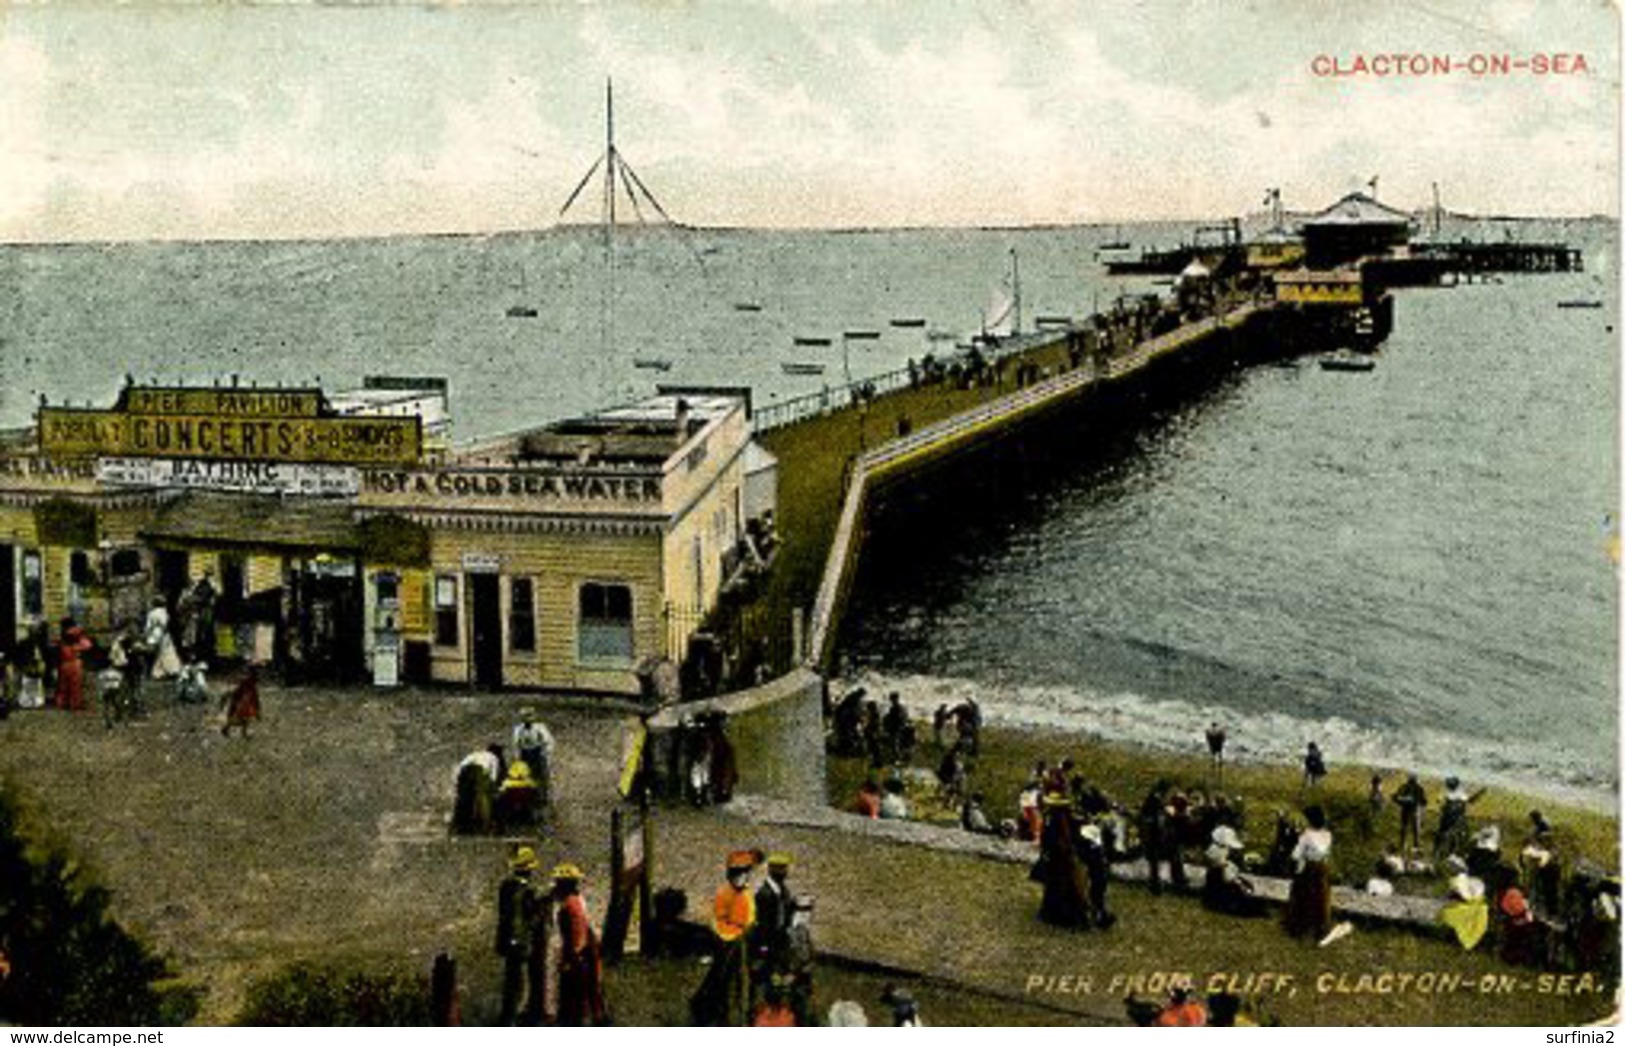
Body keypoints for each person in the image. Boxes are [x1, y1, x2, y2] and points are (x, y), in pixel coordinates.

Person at [691, 850, 757, 1026]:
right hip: (729, 940)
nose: (743, 877)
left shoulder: (744, 892)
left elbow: (748, 915)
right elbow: (720, 920)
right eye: (738, 873)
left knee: (726, 976)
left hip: (739, 939)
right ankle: (715, 1011)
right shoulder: (726, 893)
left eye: (745, 872)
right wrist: (731, 936)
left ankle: (713, 1007)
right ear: (731, 875)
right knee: (723, 977)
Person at [495, 846, 548, 1025]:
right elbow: (531, 917)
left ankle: (507, 1015)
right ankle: (513, 1019)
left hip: (507, 939)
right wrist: (541, 906)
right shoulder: (529, 891)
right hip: (522, 940)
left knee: (510, 979)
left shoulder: (505, 886)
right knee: (519, 981)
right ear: (529, 870)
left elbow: (506, 913)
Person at [552, 863, 607, 1025]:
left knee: (577, 993)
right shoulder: (577, 900)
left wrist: (571, 958)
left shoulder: (571, 903)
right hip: (585, 953)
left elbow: (579, 935)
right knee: (588, 991)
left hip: (579, 956)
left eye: (559, 883)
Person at [1031, 794, 1091, 929]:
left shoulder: (1055, 819)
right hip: (1062, 857)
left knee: (1059, 886)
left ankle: (1059, 916)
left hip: (1059, 857)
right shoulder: (1064, 818)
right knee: (1063, 886)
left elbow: (1050, 838)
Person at [1284, 805, 1333, 940]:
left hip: (1309, 868)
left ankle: (1298, 926)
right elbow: (1326, 853)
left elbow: (1295, 855)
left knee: (1300, 894)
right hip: (1323, 868)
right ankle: (1320, 927)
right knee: (1321, 897)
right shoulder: (1328, 835)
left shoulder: (1306, 835)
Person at [752, 852, 797, 983]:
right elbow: (762, 922)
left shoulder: (782, 889)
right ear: (773, 870)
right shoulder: (764, 894)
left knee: (776, 966)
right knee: (766, 966)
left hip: (779, 936)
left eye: (785, 868)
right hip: (768, 939)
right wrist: (763, 945)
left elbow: (785, 909)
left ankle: (773, 985)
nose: (785, 872)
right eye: (782, 869)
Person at [1203, 825, 1264, 918]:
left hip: (1217, 882)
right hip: (1220, 885)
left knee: (1244, 886)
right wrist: (1240, 884)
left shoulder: (1214, 849)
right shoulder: (1219, 855)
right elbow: (1227, 878)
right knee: (1243, 893)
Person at [453, 744, 501, 834]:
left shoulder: (474, 754)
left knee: (464, 800)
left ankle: (461, 825)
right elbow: (494, 774)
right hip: (480, 772)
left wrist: (457, 784)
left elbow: (460, 766)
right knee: (484, 800)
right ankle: (484, 825)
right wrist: (492, 787)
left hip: (466, 772)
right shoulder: (494, 757)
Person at [512, 709, 555, 808]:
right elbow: (515, 744)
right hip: (524, 755)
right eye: (525, 718)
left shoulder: (540, 728)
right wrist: (517, 758)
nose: (528, 721)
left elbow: (548, 741)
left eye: (530, 717)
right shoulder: (518, 729)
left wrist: (545, 753)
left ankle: (543, 797)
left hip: (537, 754)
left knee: (542, 776)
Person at [1078, 822, 1116, 929]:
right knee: (1093, 886)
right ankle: (1095, 913)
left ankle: (1099, 912)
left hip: (1092, 842)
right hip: (1087, 852)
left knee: (1098, 884)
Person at [1433, 777, 1479, 859]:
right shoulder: (1461, 794)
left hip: (1447, 817)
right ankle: (1454, 852)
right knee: (1461, 834)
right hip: (1456, 818)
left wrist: (1442, 804)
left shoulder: (1446, 792)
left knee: (1441, 833)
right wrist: (1478, 794)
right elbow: (1471, 801)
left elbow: (1438, 800)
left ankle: (1436, 850)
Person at [53, 621, 92, 712]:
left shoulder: (62, 645)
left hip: (64, 665)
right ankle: (74, 704)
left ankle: (62, 703)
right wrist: (82, 636)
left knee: (63, 685)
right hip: (75, 665)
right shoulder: (76, 646)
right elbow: (88, 645)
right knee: (75, 686)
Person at [495, 760, 541, 831]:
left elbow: (500, 791)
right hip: (525, 803)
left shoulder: (507, 783)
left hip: (510, 804)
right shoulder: (530, 782)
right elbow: (536, 790)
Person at [145, 598, 182, 680]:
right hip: (164, 634)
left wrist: (146, 634)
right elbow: (166, 624)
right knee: (167, 652)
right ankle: (171, 670)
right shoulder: (165, 612)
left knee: (158, 653)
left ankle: (159, 672)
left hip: (154, 634)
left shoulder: (152, 613)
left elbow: (148, 627)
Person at [220, 664, 259, 738]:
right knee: (239, 717)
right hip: (240, 701)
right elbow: (235, 690)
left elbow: (253, 692)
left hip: (247, 701)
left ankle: (243, 732)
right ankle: (226, 728)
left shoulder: (250, 682)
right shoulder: (243, 681)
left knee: (246, 718)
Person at [1393, 772, 1427, 853]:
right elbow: (1424, 802)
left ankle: (1404, 845)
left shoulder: (1405, 786)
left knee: (1406, 828)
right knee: (1414, 829)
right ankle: (1414, 846)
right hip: (1414, 810)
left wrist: (1401, 799)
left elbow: (1396, 797)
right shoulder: (1419, 788)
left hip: (1408, 810)